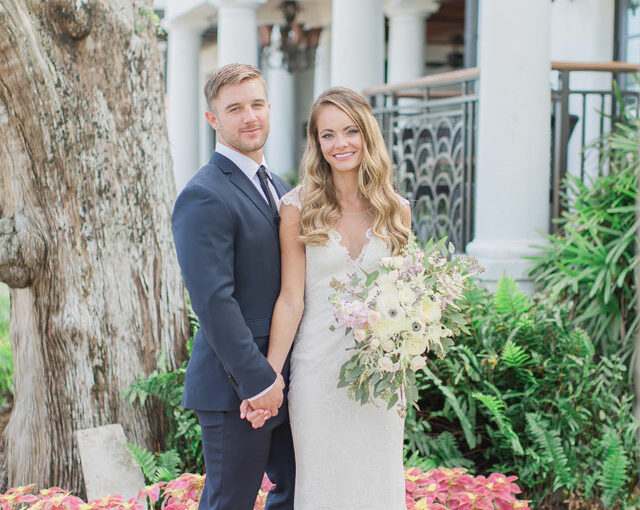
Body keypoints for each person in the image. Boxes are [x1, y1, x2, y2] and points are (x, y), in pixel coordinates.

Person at [248, 87, 412, 509]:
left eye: (350, 131)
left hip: (380, 377)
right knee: (323, 488)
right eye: (328, 135)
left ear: (367, 136)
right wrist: (271, 375)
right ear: (316, 143)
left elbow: (406, 293)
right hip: (318, 373)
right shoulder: (298, 207)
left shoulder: (397, 210)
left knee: (377, 486)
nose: (340, 144)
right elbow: (290, 299)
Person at [171, 63, 295, 510]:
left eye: (257, 104)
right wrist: (260, 382)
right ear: (213, 120)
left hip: (290, 379)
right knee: (230, 503)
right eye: (235, 108)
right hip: (236, 390)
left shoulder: (281, 189)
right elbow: (214, 302)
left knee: (296, 497)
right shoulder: (204, 194)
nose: (250, 117)